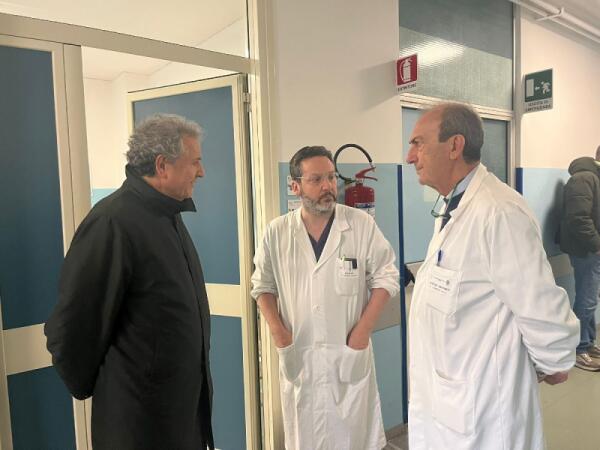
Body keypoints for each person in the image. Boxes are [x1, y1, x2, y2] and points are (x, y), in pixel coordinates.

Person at [405, 103, 579, 450]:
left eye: (418, 143)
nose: (410, 157)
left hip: (484, 415)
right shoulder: (454, 207)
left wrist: (555, 359)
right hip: (449, 402)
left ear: (454, 146)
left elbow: (538, 304)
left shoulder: (499, 212)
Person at [45, 114, 214, 450]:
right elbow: (71, 328)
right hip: (138, 425)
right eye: (195, 162)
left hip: (180, 417)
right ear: (162, 165)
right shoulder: (112, 222)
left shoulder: (168, 216)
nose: (202, 171)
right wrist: (109, 388)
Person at [251, 146, 399, 450]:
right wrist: (279, 333)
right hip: (300, 351)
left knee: (352, 436)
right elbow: (262, 285)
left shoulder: (360, 224)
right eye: (316, 179)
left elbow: (386, 277)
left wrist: (363, 330)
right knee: (306, 434)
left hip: (348, 351)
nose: (328, 186)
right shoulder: (277, 232)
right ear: (295, 186)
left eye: (331, 177)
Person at [559, 146, 600, 371]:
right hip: (586, 251)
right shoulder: (584, 179)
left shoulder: (593, 178)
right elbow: (578, 218)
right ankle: (578, 349)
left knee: (590, 298)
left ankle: (588, 342)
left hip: (590, 249)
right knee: (587, 299)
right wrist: (597, 245)